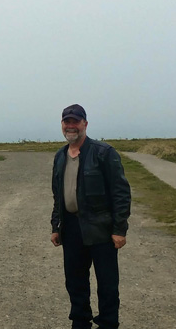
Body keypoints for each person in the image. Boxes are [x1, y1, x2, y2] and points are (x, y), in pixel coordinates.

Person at [50, 104, 131, 329]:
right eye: (67, 121)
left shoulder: (104, 153)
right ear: (62, 125)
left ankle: (108, 323)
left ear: (85, 123)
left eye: (75, 121)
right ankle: (80, 321)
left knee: (107, 283)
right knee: (75, 281)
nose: (71, 126)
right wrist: (56, 226)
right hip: (71, 227)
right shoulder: (60, 156)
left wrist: (119, 229)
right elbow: (58, 195)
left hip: (101, 228)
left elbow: (121, 192)